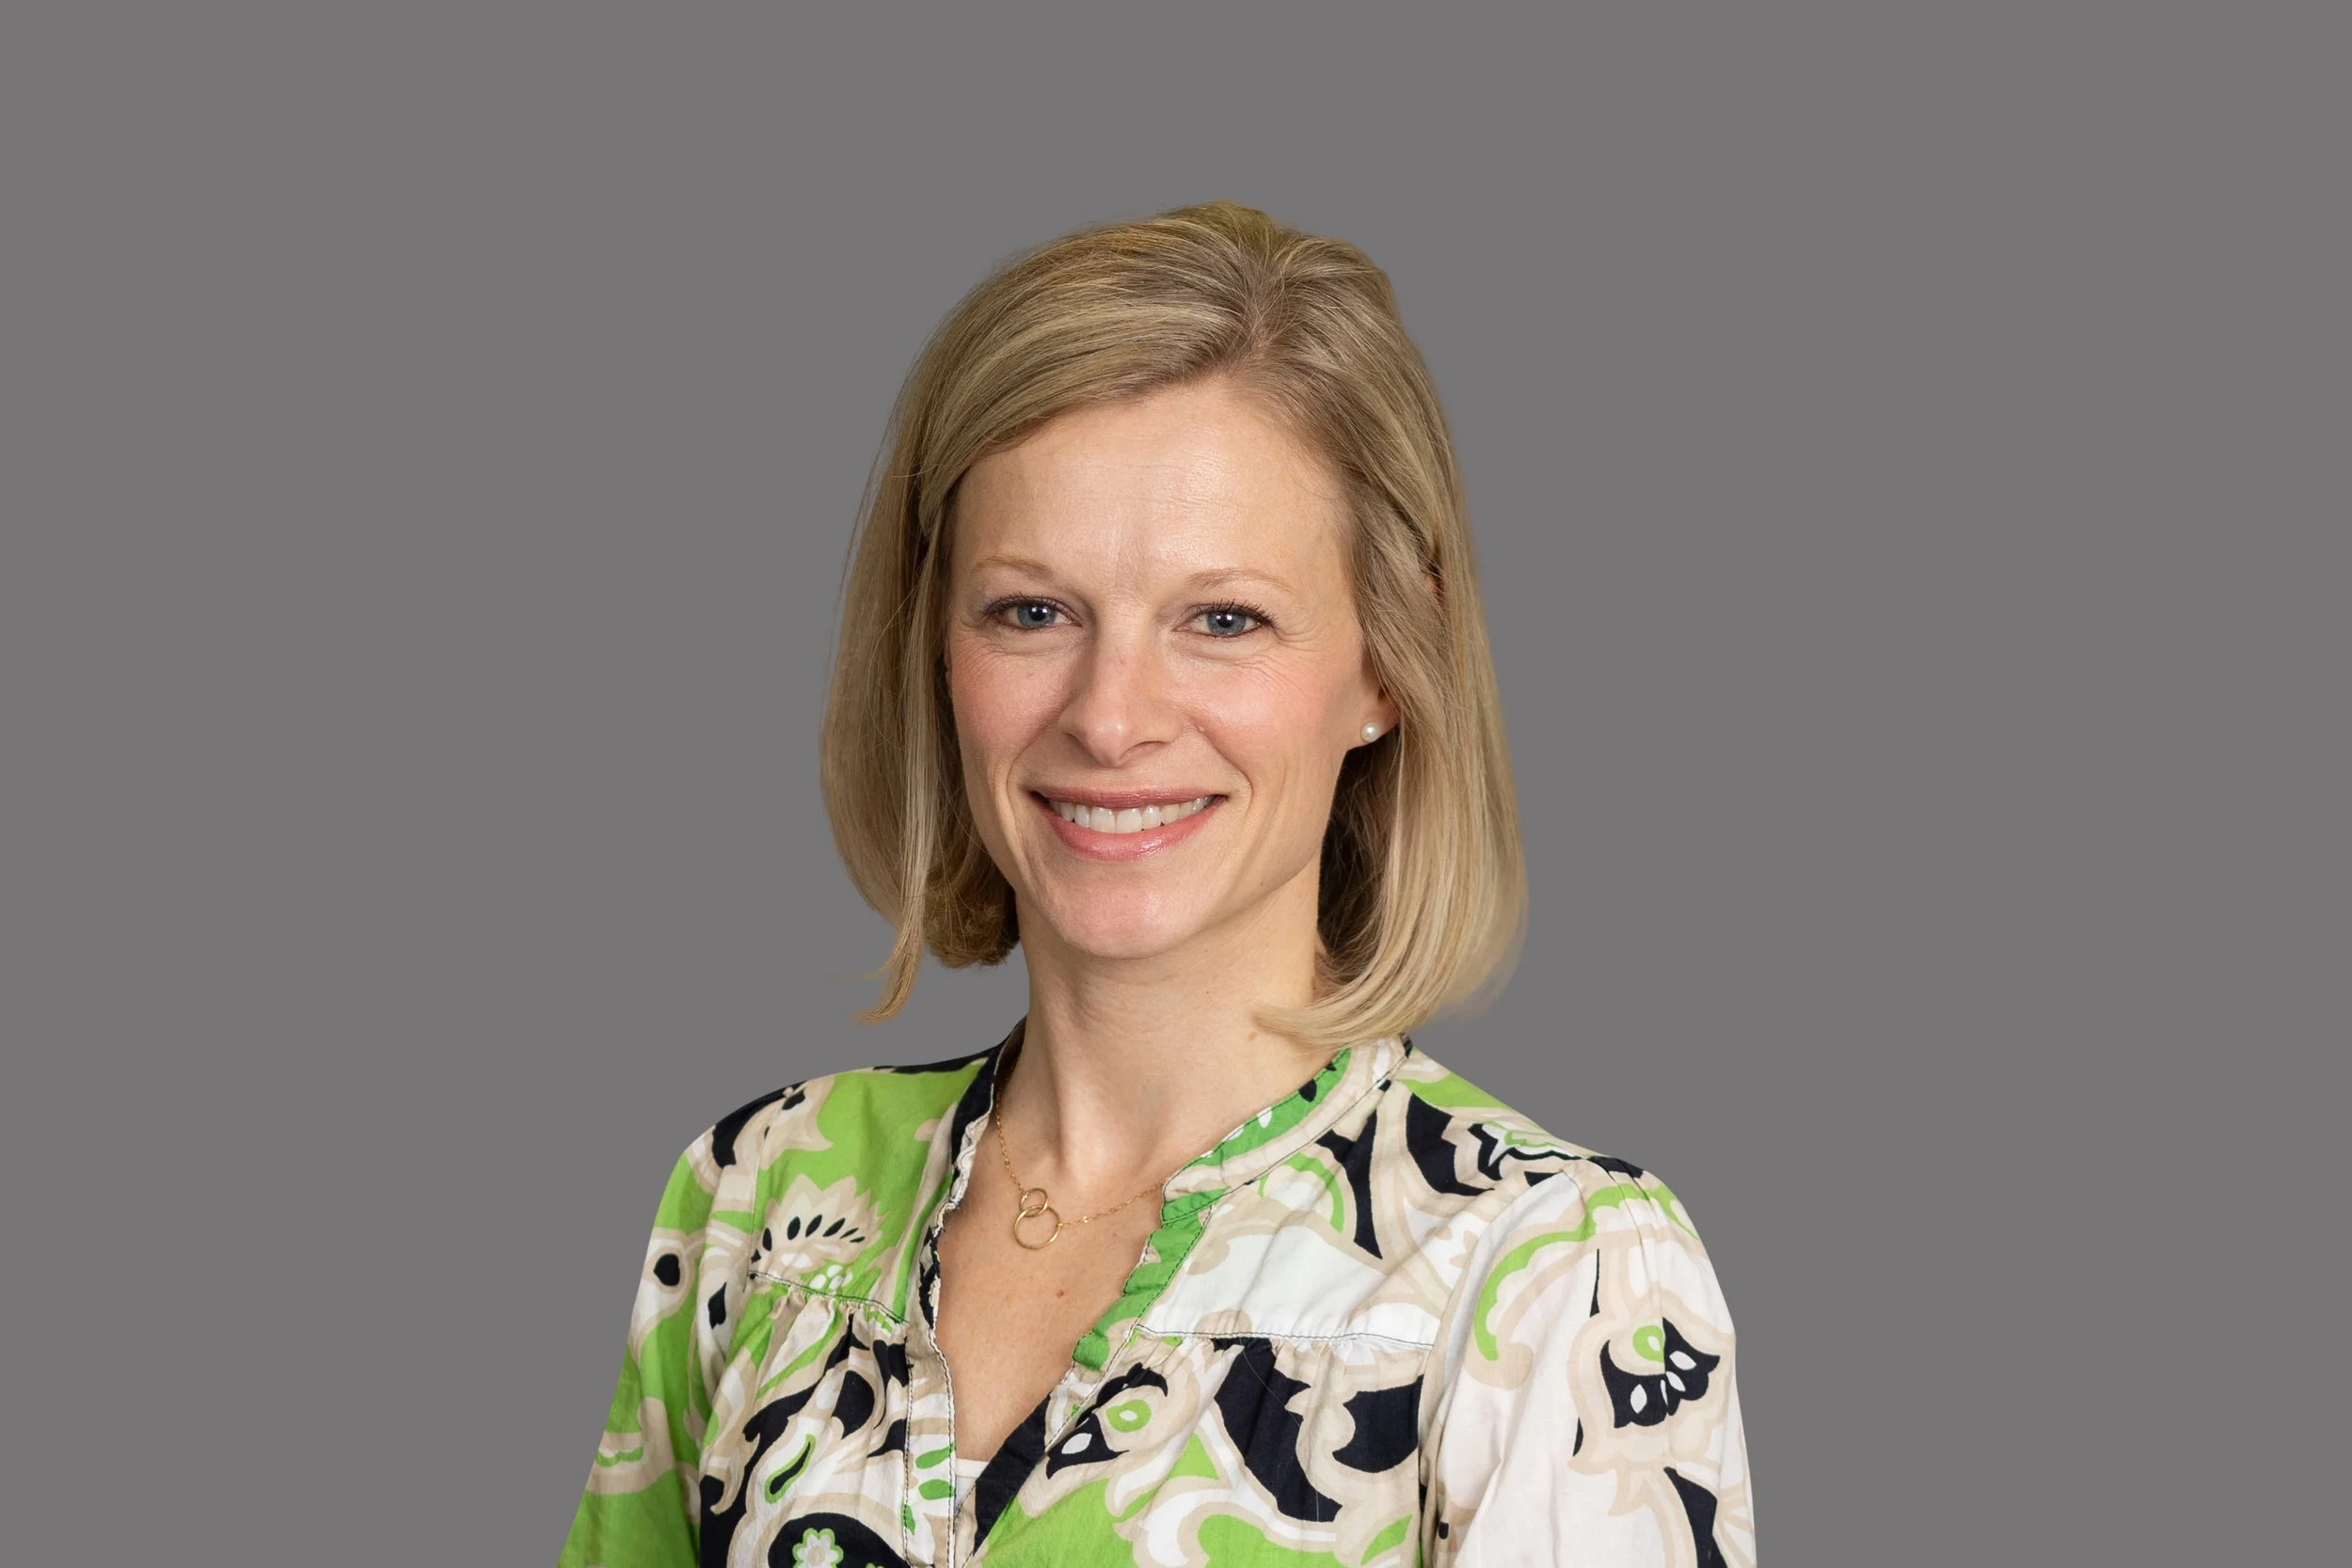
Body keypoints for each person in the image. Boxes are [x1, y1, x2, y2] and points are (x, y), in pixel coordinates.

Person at [559, 200, 1752, 1568]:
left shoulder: (1556, 1271)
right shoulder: (760, 1193)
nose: (1111, 717)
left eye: (1223, 619)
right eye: (1032, 611)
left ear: (1384, 661)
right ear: (936, 645)